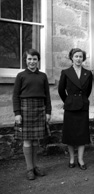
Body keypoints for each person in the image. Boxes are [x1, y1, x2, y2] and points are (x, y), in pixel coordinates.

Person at [13, 49, 52, 180]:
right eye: (29, 59)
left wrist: (48, 112)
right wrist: (17, 113)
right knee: (27, 141)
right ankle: (29, 168)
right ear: (25, 60)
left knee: (36, 141)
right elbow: (15, 96)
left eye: (35, 59)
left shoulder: (43, 76)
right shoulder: (21, 76)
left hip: (40, 109)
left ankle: (35, 166)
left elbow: (47, 96)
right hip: (25, 109)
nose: (32, 62)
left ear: (38, 60)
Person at [58, 48, 93, 170]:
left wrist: (81, 100)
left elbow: (88, 91)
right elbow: (61, 90)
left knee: (82, 134)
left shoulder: (88, 73)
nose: (78, 59)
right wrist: (68, 101)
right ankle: (72, 159)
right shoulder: (66, 72)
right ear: (71, 58)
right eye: (76, 56)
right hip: (70, 107)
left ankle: (81, 159)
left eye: (80, 56)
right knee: (70, 134)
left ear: (83, 59)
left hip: (82, 106)